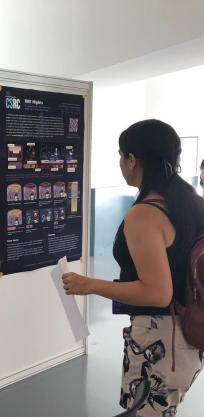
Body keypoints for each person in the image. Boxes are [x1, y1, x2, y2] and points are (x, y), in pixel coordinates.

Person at [62, 120, 204, 416]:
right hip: (190, 335)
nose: (120, 163)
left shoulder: (145, 214)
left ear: (132, 159)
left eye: (120, 155)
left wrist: (89, 285)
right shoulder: (190, 201)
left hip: (161, 340)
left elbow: (157, 293)